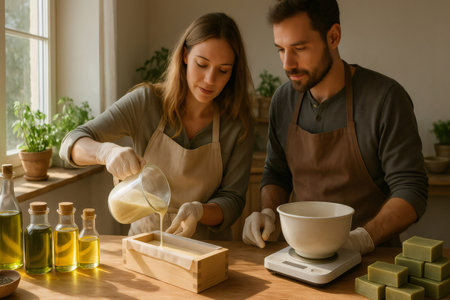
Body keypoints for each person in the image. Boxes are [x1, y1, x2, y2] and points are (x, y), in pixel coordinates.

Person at [242, 0, 428, 255]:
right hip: (302, 255)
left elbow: (411, 190)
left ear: (333, 36)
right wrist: (267, 213)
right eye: (281, 50)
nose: (287, 64)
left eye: (299, 48)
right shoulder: (283, 100)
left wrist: (362, 239)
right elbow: (276, 172)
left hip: (373, 258)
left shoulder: (385, 99)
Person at [60, 12, 254, 240]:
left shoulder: (237, 125)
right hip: (145, 243)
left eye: (223, 70)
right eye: (202, 64)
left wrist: (199, 211)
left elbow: (233, 200)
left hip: (207, 249)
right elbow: (70, 144)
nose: (210, 79)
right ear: (184, 55)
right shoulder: (146, 103)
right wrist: (106, 151)